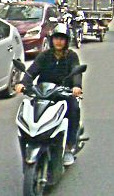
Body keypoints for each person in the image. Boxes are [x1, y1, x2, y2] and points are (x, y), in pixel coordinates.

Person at [16, 23, 84, 165]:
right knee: (30, 110)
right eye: (56, 38)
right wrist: (23, 83)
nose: (59, 41)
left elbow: (76, 72)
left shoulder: (72, 56)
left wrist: (76, 86)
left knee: (74, 109)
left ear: (67, 41)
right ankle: (32, 138)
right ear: (52, 39)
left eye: (62, 39)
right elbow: (32, 71)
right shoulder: (44, 55)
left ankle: (69, 146)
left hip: (64, 94)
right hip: (43, 93)